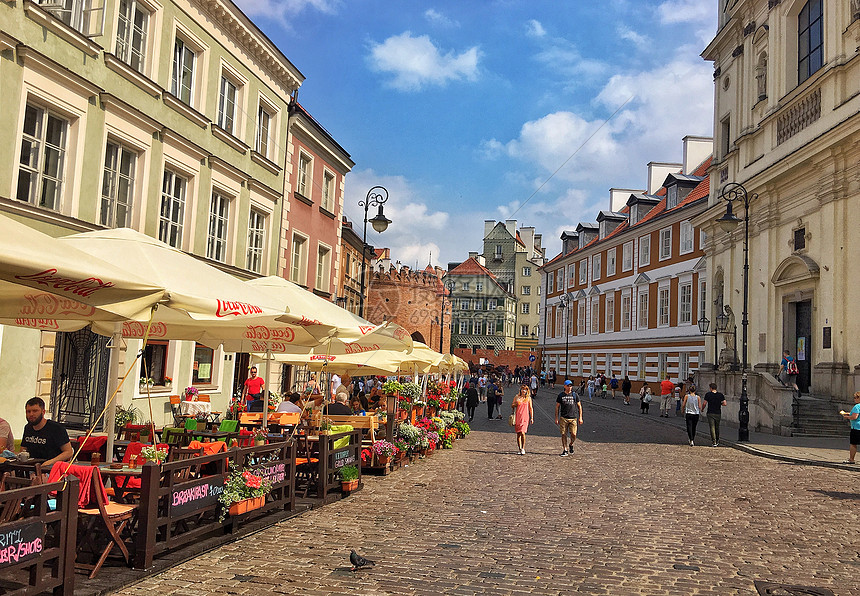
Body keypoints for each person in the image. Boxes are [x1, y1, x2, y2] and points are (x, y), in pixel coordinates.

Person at [20, 397, 73, 466]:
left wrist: (49, 462)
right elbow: (23, 449)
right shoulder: (28, 427)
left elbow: (68, 452)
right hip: (30, 466)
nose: (31, 414)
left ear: (43, 412)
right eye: (28, 411)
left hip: (50, 468)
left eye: (35, 411)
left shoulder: (56, 428)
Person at [555, 380, 583, 456]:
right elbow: (557, 407)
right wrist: (556, 418)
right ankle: (565, 449)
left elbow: (579, 406)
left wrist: (580, 417)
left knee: (573, 434)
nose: (570, 387)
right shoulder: (561, 395)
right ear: (564, 386)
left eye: (571, 386)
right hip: (563, 418)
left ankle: (571, 444)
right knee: (563, 434)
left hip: (573, 418)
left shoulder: (575, 395)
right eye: (568, 386)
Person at [702, 382, 727, 447]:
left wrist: (702, 409)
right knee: (717, 427)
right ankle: (717, 439)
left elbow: (704, 403)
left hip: (710, 412)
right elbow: (725, 403)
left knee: (712, 427)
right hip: (718, 412)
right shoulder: (720, 395)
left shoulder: (708, 394)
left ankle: (714, 441)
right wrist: (719, 404)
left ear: (711, 388)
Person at [511, 384, 534, 455]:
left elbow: (530, 408)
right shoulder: (517, 397)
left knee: (523, 432)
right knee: (518, 434)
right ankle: (519, 448)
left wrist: (532, 417)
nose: (523, 390)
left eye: (525, 389)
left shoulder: (528, 398)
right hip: (518, 416)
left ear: (527, 391)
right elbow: (512, 405)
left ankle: (523, 448)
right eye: (522, 389)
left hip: (525, 417)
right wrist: (515, 404)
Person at [839, 391, 860, 464]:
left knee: (853, 443)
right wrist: (848, 413)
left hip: (856, 427)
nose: (854, 399)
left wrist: (847, 417)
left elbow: (855, 417)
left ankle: (851, 459)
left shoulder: (857, 406)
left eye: (855, 398)